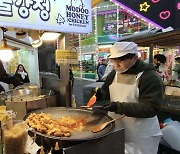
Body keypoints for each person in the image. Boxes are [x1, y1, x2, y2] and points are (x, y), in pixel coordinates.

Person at [94, 42, 164, 154]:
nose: (116, 65)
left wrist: (117, 106)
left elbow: (151, 108)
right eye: (113, 60)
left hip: (140, 134)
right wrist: (101, 95)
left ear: (134, 58)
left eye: (121, 60)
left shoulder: (149, 77)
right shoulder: (114, 73)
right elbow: (106, 92)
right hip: (117, 129)